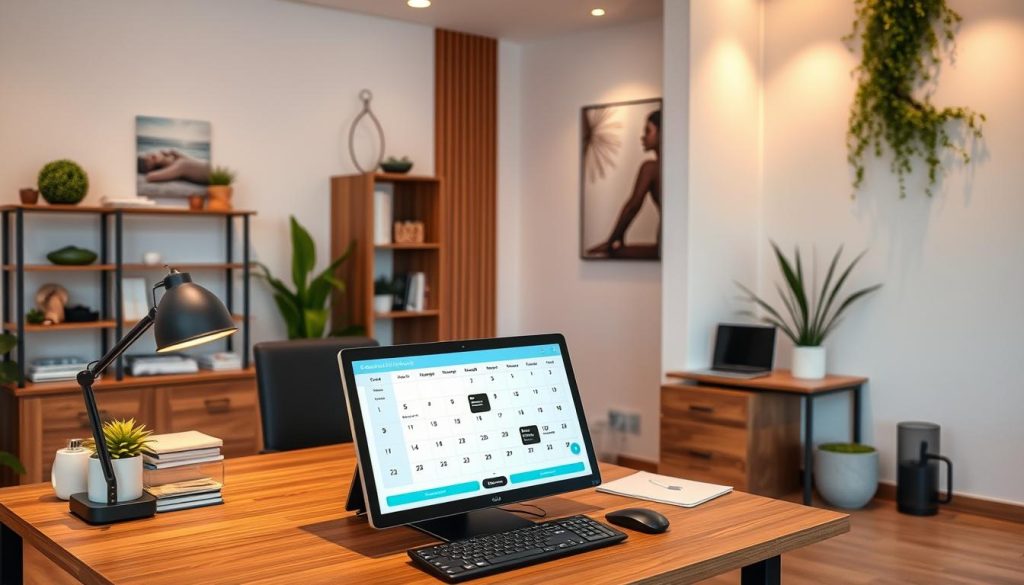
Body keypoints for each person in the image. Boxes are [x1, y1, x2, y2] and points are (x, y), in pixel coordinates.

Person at [586, 110, 661, 258]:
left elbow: (633, 206)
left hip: (665, 247)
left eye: (648, 131)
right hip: (673, 246)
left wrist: (611, 241)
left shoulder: (651, 168)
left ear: (662, 133)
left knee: (611, 253)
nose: (643, 137)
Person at [137, 149, 210, 184]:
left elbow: (197, 162)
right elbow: (150, 177)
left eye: (148, 154)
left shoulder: (180, 160)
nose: (150, 156)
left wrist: (177, 154)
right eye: (146, 160)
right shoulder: (180, 165)